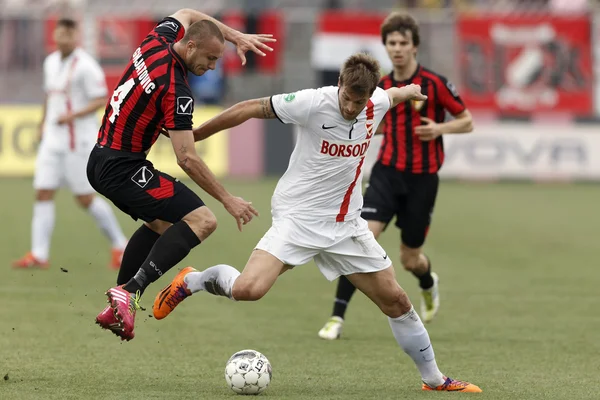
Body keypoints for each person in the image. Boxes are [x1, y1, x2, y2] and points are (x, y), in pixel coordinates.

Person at [153, 53, 482, 393]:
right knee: (248, 290)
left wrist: (411, 89)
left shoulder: (377, 101)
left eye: (360, 101)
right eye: (347, 98)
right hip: (297, 219)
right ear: (338, 85)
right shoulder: (312, 102)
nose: (352, 107)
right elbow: (249, 107)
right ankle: (192, 281)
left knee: (396, 300)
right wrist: (197, 134)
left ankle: (434, 380)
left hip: (345, 226)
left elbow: (394, 94)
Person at [90, 8, 276, 341]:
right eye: (210, 57)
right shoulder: (176, 88)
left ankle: (120, 302)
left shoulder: (156, 41)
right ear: (189, 47)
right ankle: (130, 292)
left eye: (218, 60)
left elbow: (188, 12)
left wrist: (235, 38)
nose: (213, 67)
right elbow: (187, 158)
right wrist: (228, 199)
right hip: (121, 167)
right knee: (203, 221)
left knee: (162, 227)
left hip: (104, 157)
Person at [318, 12, 474, 340]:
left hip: (423, 179)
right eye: (392, 43)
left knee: (410, 258)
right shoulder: (381, 86)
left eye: (403, 43)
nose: (397, 49)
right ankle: (336, 318)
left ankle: (428, 282)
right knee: (362, 239)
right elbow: (370, 124)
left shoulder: (435, 83)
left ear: (415, 46)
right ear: (385, 47)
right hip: (387, 173)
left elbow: (467, 121)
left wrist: (440, 128)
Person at [12, 18, 128, 270]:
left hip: (78, 141)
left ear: (75, 36)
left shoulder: (86, 66)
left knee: (85, 198)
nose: (63, 36)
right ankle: (39, 255)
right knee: (43, 192)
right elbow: (48, 94)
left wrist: (72, 116)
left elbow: (100, 99)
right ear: (55, 34)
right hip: (52, 139)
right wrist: (42, 123)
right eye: (60, 32)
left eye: (68, 32)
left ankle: (121, 245)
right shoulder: (50, 61)